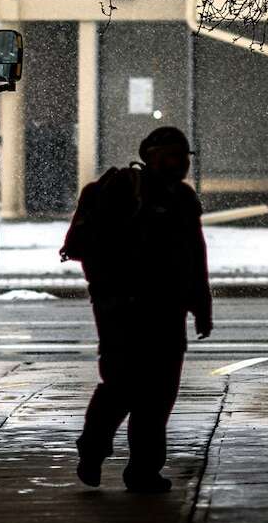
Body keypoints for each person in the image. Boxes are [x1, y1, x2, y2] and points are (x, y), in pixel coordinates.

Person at [61, 126, 213, 493]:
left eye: (184, 155)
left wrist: (201, 305)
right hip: (123, 309)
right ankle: (93, 448)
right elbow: (97, 248)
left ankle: (143, 471)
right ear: (151, 155)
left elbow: (195, 255)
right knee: (122, 384)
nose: (180, 162)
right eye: (172, 154)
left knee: (160, 393)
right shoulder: (124, 191)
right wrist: (114, 294)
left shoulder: (184, 198)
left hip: (168, 309)